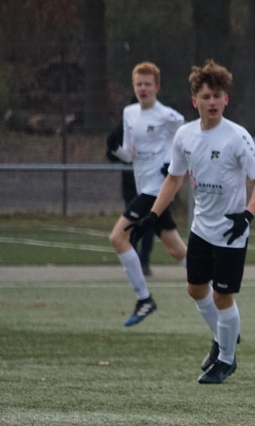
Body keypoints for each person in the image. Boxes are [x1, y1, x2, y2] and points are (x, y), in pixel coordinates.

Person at [127, 59, 255, 384]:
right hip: (201, 228)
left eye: (217, 96)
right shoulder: (185, 135)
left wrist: (247, 215)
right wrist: (152, 215)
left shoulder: (237, 136)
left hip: (231, 230)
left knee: (222, 296)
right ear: (195, 101)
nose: (212, 102)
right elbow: (173, 178)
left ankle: (226, 360)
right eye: (206, 97)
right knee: (195, 289)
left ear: (226, 99)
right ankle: (223, 336)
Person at [107, 62, 187, 326]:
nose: (143, 88)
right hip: (144, 187)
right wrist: (115, 150)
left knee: (118, 237)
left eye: (147, 84)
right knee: (176, 249)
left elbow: (187, 140)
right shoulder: (129, 113)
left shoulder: (169, 116)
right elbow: (130, 155)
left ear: (157, 87)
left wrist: (173, 164)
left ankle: (144, 298)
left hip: (157, 189)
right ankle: (211, 287)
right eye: (138, 84)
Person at [106, 103, 153, 274]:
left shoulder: (158, 123)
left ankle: (144, 261)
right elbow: (117, 155)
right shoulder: (125, 125)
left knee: (150, 224)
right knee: (129, 226)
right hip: (131, 184)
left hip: (152, 185)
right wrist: (114, 148)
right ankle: (135, 262)